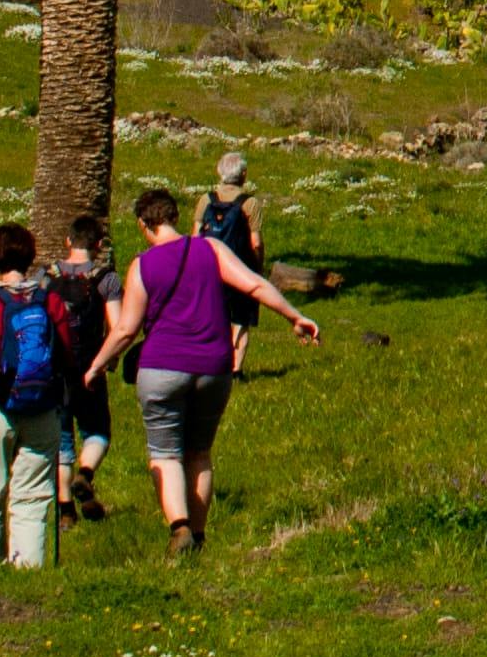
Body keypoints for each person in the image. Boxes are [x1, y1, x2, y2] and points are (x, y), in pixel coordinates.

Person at [92, 184, 320, 559]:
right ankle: (198, 537)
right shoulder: (210, 249)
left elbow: (125, 330)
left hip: (162, 367)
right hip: (214, 367)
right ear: (176, 218)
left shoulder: (142, 266)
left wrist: (96, 366)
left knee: (165, 454)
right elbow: (254, 284)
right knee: (199, 453)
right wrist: (295, 316)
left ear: (142, 225)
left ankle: (178, 527)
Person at [0, 220, 79, 569]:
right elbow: (66, 354)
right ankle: (30, 568)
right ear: (30, 256)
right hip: (42, 407)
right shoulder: (49, 300)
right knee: (34, 493)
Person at [48, 214, 117, 524]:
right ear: (99, 245)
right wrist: (108, 361)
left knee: (62, 440)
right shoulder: (106, 278)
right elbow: (117, 328)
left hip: (54, 369)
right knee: (97, 431)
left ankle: (65, 512)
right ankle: (85, 473)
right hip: (90, 367)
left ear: (67, 241)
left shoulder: (45, 277)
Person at [198, 153, 266, 367]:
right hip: (240, 269)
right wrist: (257, 266)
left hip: (210, 267)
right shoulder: (250, 203)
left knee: (213, 317)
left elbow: (195, 236)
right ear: (243, 174)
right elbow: (256, 242)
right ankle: (236, 369)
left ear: (219, 172)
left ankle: (213, 361)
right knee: (241, 321)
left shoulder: (206, 199)